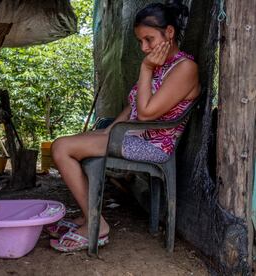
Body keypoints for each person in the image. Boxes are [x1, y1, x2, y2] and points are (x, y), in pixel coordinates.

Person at [48, 1, 200, 252]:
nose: (144, 48)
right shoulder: (160, 67)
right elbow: (132, 106)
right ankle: (90, 217)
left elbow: (147, 112)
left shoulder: (185, 69)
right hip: (130, 136)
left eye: (149, 39)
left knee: (61, 147)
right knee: (73, 141)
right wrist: (107, 132)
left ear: (169, 33)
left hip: (153, 146)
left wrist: (146, 68)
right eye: (141, 41)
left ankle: (99, 227)